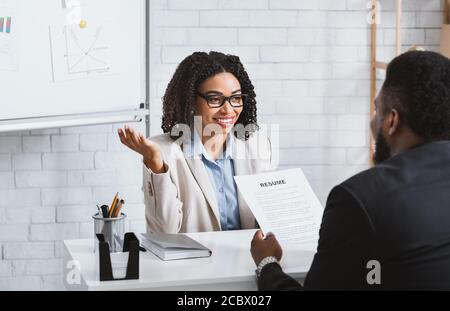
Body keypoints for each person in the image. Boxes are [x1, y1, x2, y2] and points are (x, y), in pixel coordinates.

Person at [250, 51, 450, 290]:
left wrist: (267, 262)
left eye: (377, 110)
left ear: (391, 121)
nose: (373, 121)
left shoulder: (359, 198)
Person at [118, 51, 275, 233]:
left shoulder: (258, 146)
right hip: (195, 261)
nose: (228, 109)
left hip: (248, 258)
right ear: (191, 100)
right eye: (215, 99)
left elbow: (267, 220)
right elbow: (165, 232)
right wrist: (155, 164)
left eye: (236, 98)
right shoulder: (163, 152)